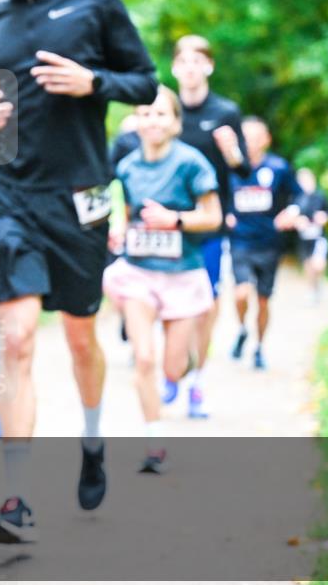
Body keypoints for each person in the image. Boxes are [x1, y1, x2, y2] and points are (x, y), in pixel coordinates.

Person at [0, 0, 157, 544]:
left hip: (80, 195)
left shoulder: (97, 1)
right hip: (8, 197)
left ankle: (91, 437)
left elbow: (147, 84)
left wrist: (94, 83)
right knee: (18, 340)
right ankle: (17, 498)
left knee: (82, 338)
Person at [103, 87, 221, 473]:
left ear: (174, 122)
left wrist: (176, 219)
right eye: (145, 114)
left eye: (160, 114)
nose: (152, 122)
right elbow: (123, 211)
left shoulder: (192, 163)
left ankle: (181, 370)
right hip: (137, 272)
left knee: (171, 367)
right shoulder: (127, 166)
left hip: (182, 274)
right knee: (145, 358)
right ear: (136, 121)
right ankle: (155, 445)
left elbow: (213, 217)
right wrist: (117, 231)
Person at [164, 34, 249, 418]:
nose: (191, 67)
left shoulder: (226, 111)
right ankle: (172, 367)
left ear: (209, 66)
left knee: (205, 306)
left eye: (198, 60)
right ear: (175, 68)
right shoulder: (166, 110)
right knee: (168, 301)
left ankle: (197, 379)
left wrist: (231, 150)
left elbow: (244, 168)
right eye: (184, 61)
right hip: (169, 224)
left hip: (211, 224)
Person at [227, 116, 301, 370]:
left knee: (262, 300)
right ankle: (240, 330)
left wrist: (291, 211)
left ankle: (259, 347)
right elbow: (219, 196)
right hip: (240, 242)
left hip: (269, 244)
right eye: (245, 138)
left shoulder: (278, 168)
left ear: (266, 140)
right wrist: (225, 213)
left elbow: (299, 196)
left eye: (255, 137)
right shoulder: (231, 169)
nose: (250, 143)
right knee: (241, 293)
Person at [293, 167, 328, 303]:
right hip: (304, 238)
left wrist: (323, 218)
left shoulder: (320, 196)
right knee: (308, 266)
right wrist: (297, 221)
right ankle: (311, 290)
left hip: (318, 237)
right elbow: (291, 216)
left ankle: (319, 283)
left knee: (318, 265)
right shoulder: (297, 198)